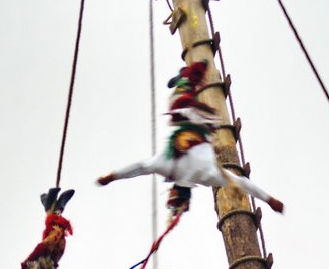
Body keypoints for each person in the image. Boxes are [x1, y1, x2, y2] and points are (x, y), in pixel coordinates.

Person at [97, 61, 284, 213]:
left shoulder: (168, 167)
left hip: (188, 122)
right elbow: (242, 183)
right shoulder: (204, 174)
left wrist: (112, 176)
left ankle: (186, 78)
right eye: (172, 194)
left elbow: (139, 167)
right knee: (182, 101)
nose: (170, 192)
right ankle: (189, 76)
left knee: (181, 101)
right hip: (200, 124)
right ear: (177, 190)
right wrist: (269, 199)